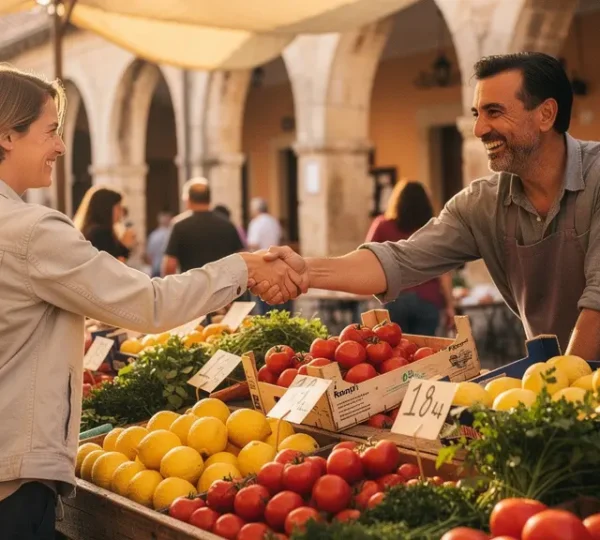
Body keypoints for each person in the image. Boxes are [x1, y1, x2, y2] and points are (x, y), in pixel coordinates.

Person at [0, 65, 304, 538]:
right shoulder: (30, 231)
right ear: (6, 136)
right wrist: (243, 268)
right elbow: (149, 304)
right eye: (50, 131)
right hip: (12, 481)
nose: (60, 147)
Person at [259, 52, 600, 359]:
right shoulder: (482, 204)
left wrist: (561, 390)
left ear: (546, 114)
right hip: (563, 382)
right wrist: (305, 270)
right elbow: (400, 260)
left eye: (494, 112)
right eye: (477, 114)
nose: (480, 129)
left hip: (568, 381)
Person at [365, 180, 454, 335]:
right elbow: (444, 272)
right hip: (428, 299)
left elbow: (368, 259)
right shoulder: (433, 229)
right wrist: (450, 306)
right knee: (424, 352)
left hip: (395, 296)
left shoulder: (382, 226)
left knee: (396, 352)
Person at [162, 178, 245, 275]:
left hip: (191, 286)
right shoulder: (227, 224)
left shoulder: (179, 226)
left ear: (188, 199)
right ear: (209, 199)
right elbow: (241, 258)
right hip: (222, 285)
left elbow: (170, 265)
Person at [73, 185, 132, 262]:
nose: (121, 211)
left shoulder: (93, 230)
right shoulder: (100, 233)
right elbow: (112, 265)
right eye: (118, 207)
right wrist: (125, 243)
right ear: (106, 209)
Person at [145, 211, 173, 277]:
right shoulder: (171, 234)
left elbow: (149, 256)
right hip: (168, 271)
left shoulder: (153, 235)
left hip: (155, 269)